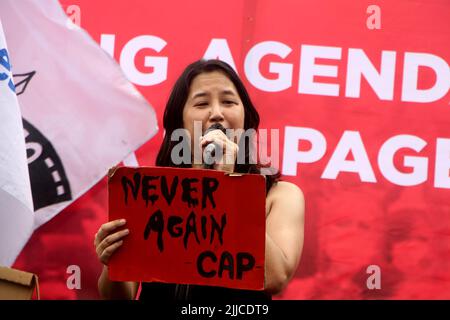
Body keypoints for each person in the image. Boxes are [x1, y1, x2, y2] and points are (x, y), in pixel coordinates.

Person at [94, 59, 305, 301]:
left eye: (228, 102)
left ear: (245, 118)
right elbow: (119, 297)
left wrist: (229, 185)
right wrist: (112, 262)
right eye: (202, 103)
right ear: (179, 123)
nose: (216, 114)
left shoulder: (280, 195)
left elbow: (274, 278)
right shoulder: (149, 192)